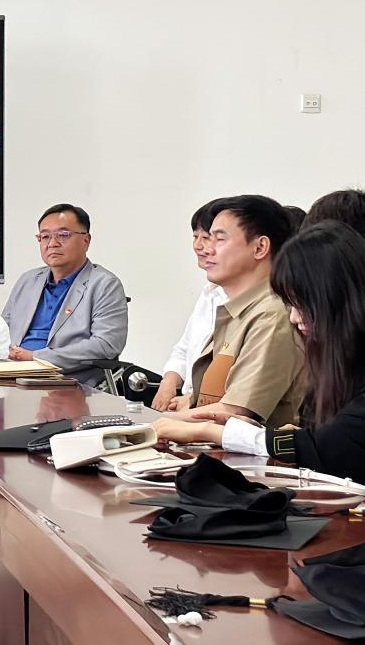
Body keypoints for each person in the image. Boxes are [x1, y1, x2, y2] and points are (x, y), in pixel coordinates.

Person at [153, 222, 365, 478]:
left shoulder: (270, 318)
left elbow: (328, 447)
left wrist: (213, 432)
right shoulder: (337, 362)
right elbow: (319, 438)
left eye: (302, 304)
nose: (294, 317)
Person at [162, 195, 303, 427]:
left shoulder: (270, 316)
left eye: (219, 239)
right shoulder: (238, 310)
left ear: (260, 247)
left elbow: (235, 411)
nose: (207, 249)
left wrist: (150, 422)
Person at [1, 203, 128, 385]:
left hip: (67, 381)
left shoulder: (104, 284)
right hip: (11, 374)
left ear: (86, 240)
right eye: (45, 236)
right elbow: (1, 330)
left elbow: (106, 344)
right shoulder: (28, 280)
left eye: (63, 235)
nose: (52, 244)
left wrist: (37, 358)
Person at [151, 200, 228, 411]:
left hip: (209, 410)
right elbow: (184, 349)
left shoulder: (256, 305)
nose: (198, 246)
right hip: (188, 404)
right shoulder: (209, 293)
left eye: (207, 237)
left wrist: (192, 400)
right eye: (195, 237)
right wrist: (168, 384)